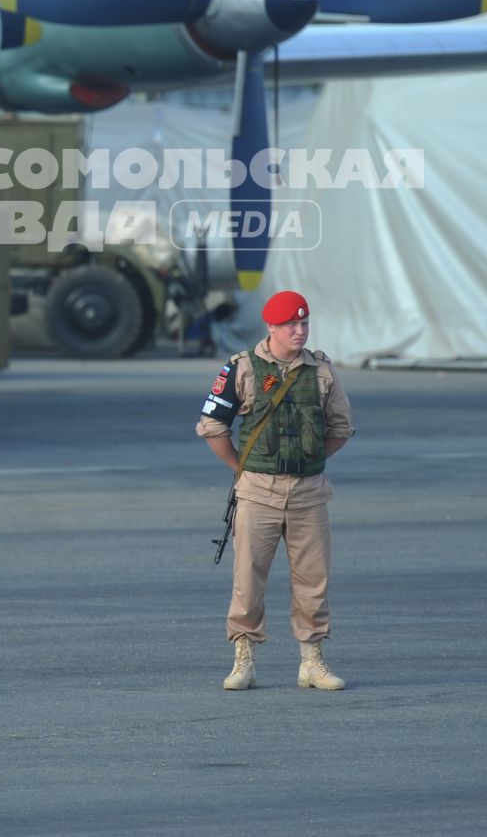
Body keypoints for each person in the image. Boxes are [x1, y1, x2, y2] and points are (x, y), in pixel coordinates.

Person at [196, 289, 354, 691]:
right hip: (257, 493)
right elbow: (212, 426)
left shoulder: (321, 372)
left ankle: (312, 660)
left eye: (304, 324)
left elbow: (340, 429)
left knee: (313, 581)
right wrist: (243, 469)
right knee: (247, 579)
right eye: (290, 325)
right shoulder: (242, 369)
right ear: (271, 327)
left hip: (308, 494)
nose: (299, 331)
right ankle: (243, 659)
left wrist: (307, 462)